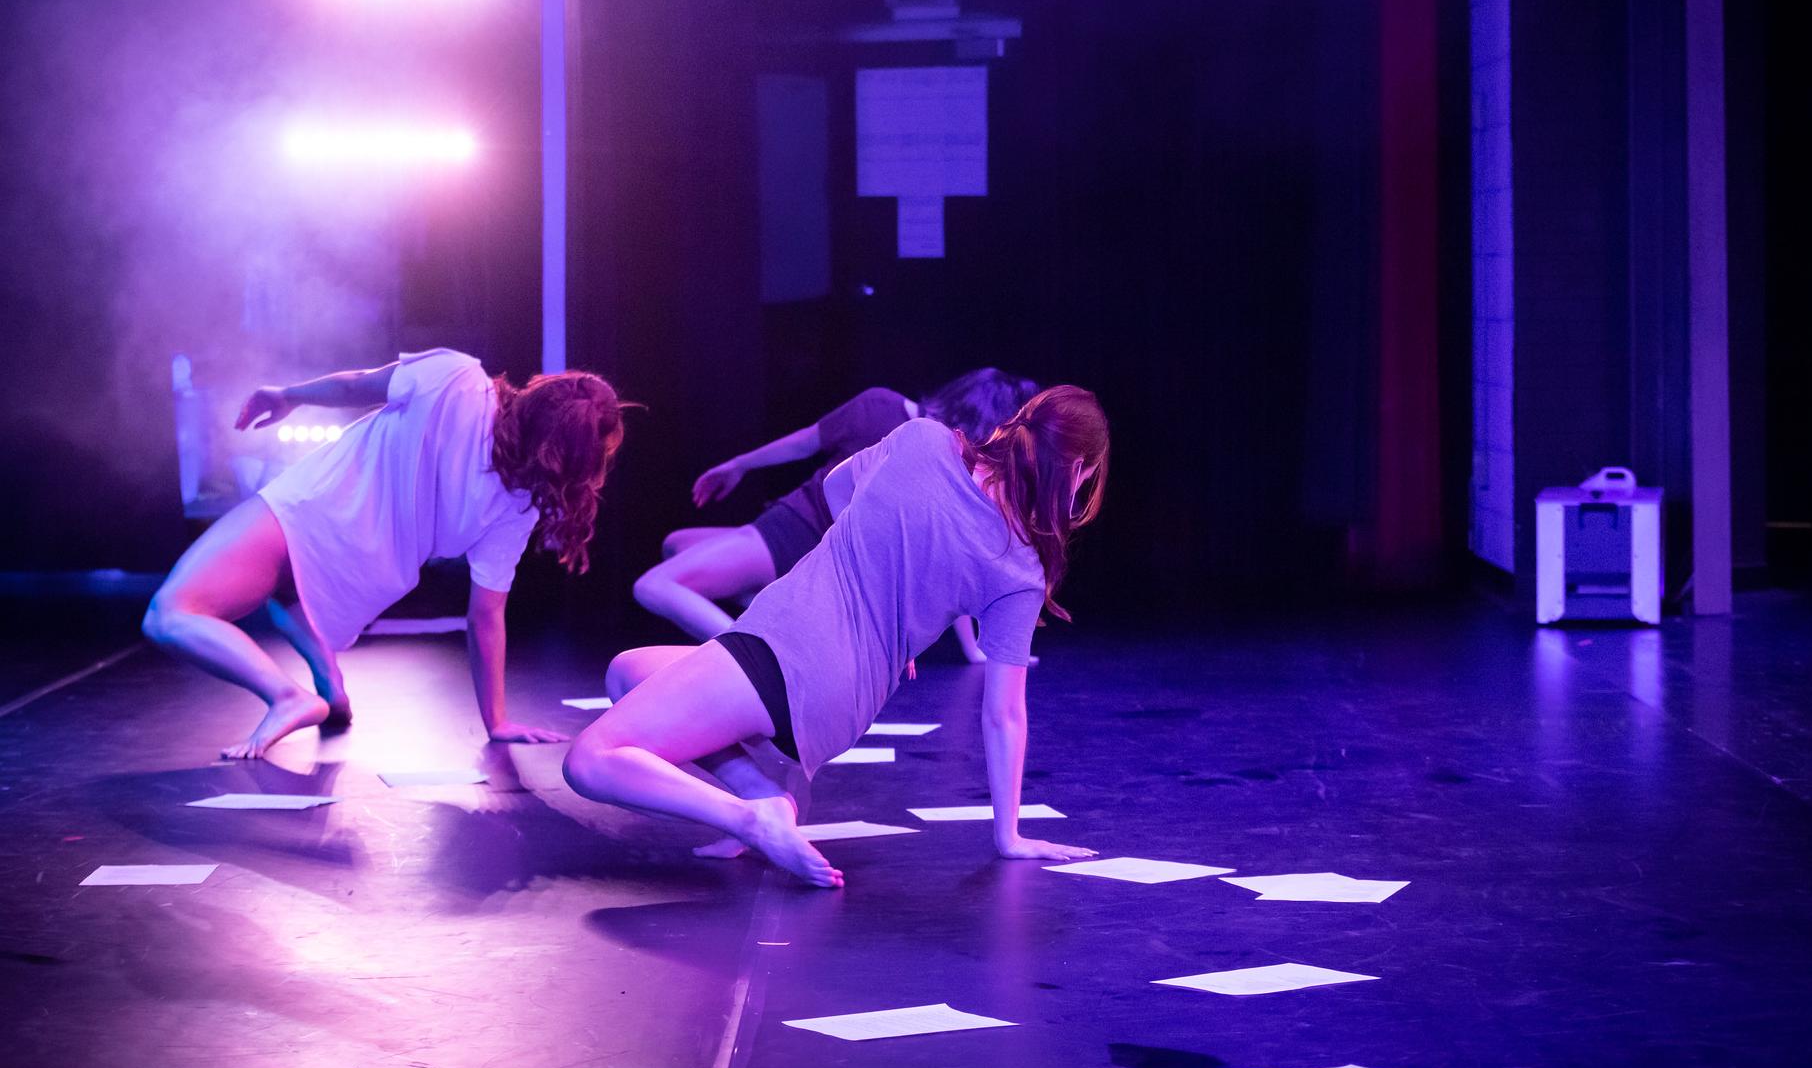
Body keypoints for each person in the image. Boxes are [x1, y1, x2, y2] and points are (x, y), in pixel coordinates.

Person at [565, 386, 1109, 888]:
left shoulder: (924, 441)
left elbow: (835, 487)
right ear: (1079, 469)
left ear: (1020, 424)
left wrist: (865, 563)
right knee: (628, 671)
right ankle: (765, 797)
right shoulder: (1021, 568)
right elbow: (1004, 713)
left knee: (590, 758)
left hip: (785, 650)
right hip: (842, 705)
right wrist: (1007, 837)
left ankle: (750, 819)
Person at [142, 349, 631, 759]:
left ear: (541, 393)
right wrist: (496, 721)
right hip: (365, 579)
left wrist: (288, 395)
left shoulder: (457, 378)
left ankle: (286, 696)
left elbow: (358, 385)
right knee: (284, 594)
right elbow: (486, 615)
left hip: (311, 513)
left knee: (171, 613)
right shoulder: (518, 505)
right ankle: (328, 685)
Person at [633, 369, 1039, 661]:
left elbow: (803, 443)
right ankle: (761, 601)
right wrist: (740, 464)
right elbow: (945, 560)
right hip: (799, 534)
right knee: (677, 544)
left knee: (655, 585)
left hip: (795, 532)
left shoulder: (889, 411)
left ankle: (740, 655)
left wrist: (739, 463)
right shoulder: (940, 453)